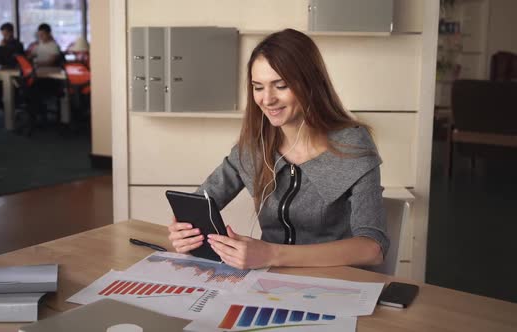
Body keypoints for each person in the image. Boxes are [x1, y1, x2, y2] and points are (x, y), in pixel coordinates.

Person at [167, 29, 389, 270]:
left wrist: (271, 254)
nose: (267, 99)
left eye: (280, 85)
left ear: (311, 84)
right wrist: (185, 232)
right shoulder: (254, 147)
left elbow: (372, 248)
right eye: (258, 87)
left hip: (334, 283)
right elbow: (200, 203)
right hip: (267, 284)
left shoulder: (352, 144)